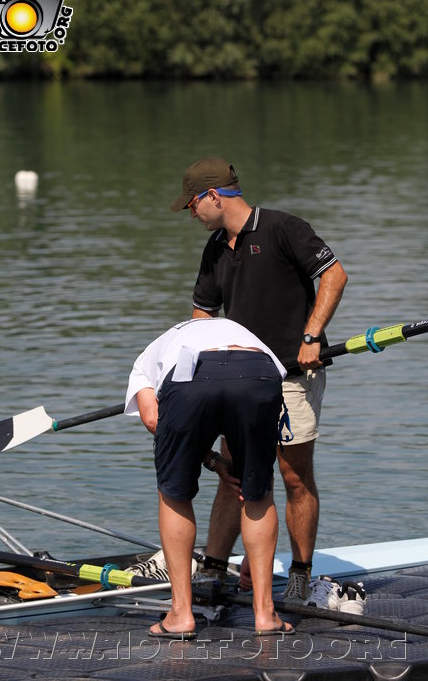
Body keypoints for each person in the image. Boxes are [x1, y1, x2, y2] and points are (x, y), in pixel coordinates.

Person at [170, 157, 348, 603]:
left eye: (193, 205)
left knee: (293, 476)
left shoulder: (283, 228)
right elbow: (201, 313)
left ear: (214, 196)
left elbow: (334, 275)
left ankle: (302, 574)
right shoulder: (215, 248)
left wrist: (311, 336)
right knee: (232, 473)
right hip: (239, 382)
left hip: (292, 375)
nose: (192, 214)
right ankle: (213, 568)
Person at [124, 317, 295, 638]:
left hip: (191, 382)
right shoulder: (239, 331)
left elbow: (154, 420)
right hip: (258, 371)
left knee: (175, 494)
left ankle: (180, 614)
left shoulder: (145, 361)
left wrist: (205, 456)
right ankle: (265, 614)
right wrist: (216, 460)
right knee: (258, 493)